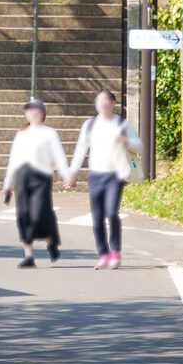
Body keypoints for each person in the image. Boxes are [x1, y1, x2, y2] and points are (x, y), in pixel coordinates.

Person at [66, 88, 141, 267]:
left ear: (113, 103)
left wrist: (126, 142)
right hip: (96, 176)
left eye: (107, 100)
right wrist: (72, 173)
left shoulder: (123, 124)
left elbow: (139, 147)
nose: (104, 103)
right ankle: (103, 254)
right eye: (100, 100)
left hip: (115, 175)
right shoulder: (89, 125)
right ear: (96, 104)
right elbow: (80, 150)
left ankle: (115, 252)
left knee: (112, 212)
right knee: (96, 218)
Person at [2, 97, 69, 266]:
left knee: (41, 213)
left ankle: (51, 241)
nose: (31, 112)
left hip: (42, 177)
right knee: (23, 215)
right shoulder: (21, 134)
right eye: (28, 110)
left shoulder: (50, 133)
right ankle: (29, 255)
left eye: (35, 109)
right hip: (22, 177)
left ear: (42, 113)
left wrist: (66, 175)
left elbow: (59, 157)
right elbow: (13, 160)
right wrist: (7, 185)